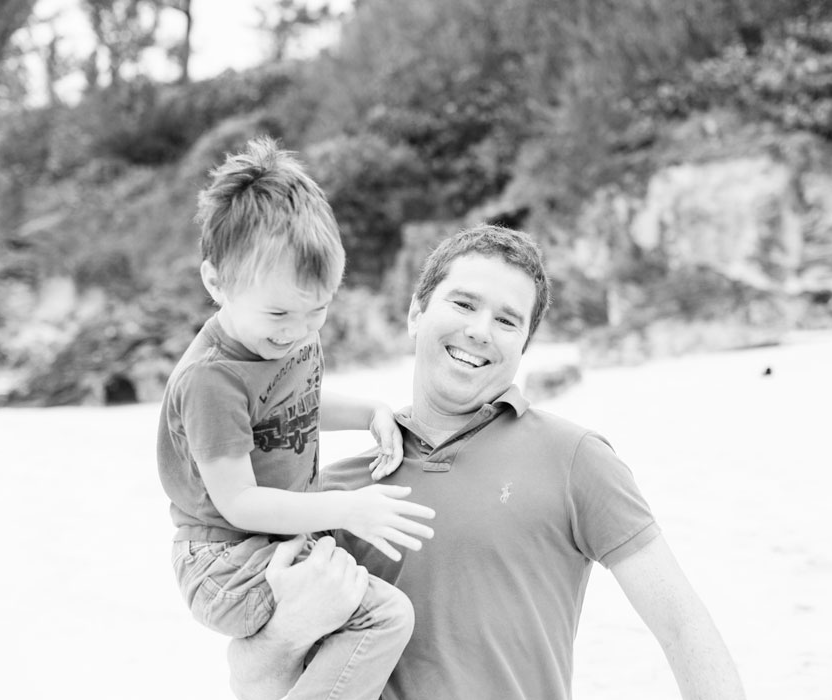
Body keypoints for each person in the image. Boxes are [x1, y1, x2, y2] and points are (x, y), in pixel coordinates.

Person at [228, 223, 746, 700]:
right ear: (416, 314)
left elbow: (683, 627)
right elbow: (251, 681)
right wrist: (288, 631)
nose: (480, 330)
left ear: (524, 344)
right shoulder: (332, 496)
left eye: (506, 320)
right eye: (463, 304)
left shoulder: (576, 460)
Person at [156, 137, 435, 700]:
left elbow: (296, 404)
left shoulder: (287, 341)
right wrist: (345, 508)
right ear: (216, 283)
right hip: (223, 559)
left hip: (276, 534)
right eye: (279, 312)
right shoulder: (212, 379)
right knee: (384, 617)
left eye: (319, 309)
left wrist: (370, 412)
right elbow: (239, 502)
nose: (299, 331)